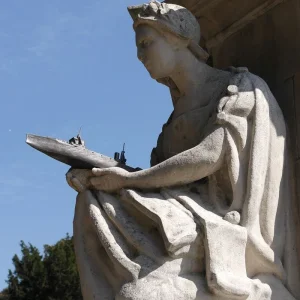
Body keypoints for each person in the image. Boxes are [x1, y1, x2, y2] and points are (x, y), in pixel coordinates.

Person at [66, 2, 299, 299]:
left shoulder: (239, 88)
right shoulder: (173, 121)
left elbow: (208, 156)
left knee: (137, 295)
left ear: (178, 38)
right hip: (179, 214)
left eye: (146, 44)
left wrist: (126, 180)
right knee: (90, 200)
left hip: (218, 222)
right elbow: (159, 180)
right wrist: (96, 174)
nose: (140, 57)